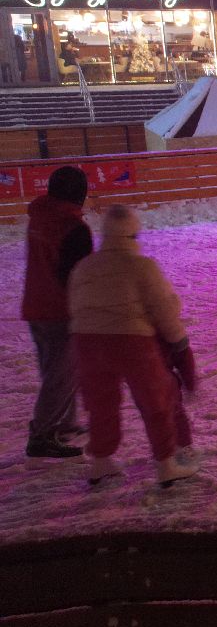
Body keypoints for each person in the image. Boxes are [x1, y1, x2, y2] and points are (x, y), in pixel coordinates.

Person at [69, 205, 200, 487]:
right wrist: (178, 341)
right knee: (156, 399)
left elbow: (74, 305)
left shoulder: (85, 266)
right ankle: (166, 463)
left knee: (101, 403)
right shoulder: (143, 267)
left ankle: (101, 461)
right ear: (134, 234)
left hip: (87, 341)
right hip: (132, 341)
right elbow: (163, 309)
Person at [20, 166, 93, 459]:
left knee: (55, 370)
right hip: (59, 310)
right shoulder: (72, 227)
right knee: (61, 375)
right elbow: (77, 276)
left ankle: (64, 422)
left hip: (34, 305)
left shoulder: (39, 216)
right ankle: (42, 436)